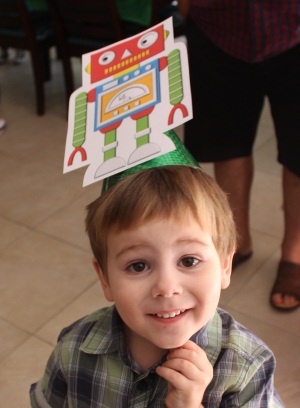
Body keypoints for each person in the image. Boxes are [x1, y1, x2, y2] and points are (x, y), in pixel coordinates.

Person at [30, 131, 283, 407]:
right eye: (138, 265)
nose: (166, 287)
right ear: (104, 278)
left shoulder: (247, 369)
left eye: (188, 261)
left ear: (224, 265)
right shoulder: (74, 349)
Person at [180, 0, 300, 311]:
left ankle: (294, 253)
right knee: (225, 144)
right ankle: (237, 240)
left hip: (292, 28)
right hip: (217, 27)